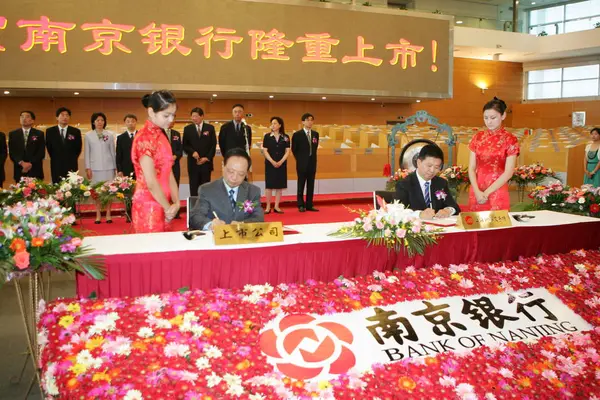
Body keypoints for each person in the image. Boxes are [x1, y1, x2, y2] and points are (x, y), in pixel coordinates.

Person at [131, 91, 180, 233]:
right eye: (166, 115)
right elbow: (151, 182)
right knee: (151, 249)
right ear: (151, 112)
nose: (171, 120)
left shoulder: (161, 136)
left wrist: (176, 202)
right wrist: (168, 208)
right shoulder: (144, 138)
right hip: (148, 206)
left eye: (173, 115)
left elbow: (168, 172)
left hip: (165, 204)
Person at [189, 148, 263, 231]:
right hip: (215, 239)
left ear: (246, 173)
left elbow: (258, 218)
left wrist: (243, 224)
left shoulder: (253, 191)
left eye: (241, 174)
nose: (234, 178)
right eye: (231, 171)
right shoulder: (207, 190)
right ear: (223, 166)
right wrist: (210, 224)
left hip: (242, 239)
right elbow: (195, 216)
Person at [468, 97, 520, 211]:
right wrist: (477, 191)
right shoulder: (477, 137)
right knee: (475, 223)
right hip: (477, 188)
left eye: (493, 118)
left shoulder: (510, 139)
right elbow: (471, 168)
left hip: (497, 188)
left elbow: (508, 172)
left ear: (503, 116)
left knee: (496, 224)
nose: (489, 121)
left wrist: (486, 193)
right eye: (485, 118)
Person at [395, 144, 460, 219]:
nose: (432, 170)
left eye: (436, 167)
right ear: (418, 162)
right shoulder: (404, 184)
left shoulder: (441, 183)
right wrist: (419, 214)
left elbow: (454, 206)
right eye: (429, 166)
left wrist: (448, 210)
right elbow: (399, 211)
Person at [84, 112, 116, 223]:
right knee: (96, 193)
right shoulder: (88, 135)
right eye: (97, 120)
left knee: (109, 191)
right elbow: (87, 153)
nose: (100, 122)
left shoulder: (110, 135)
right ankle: (98, 214)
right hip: (95, 168)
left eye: (102, 120)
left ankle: (108, 214)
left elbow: (113, 152)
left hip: (109, 167)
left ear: (105, 122)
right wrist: (88, 167)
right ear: (93, 122)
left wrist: (116, 167)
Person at [183, 107, 216, 196]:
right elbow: (185, 145)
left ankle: (206, 207)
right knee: (194, 187)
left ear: (202, 116)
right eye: (192, 116)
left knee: (206, 187)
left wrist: (207, 158)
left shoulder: (210, 128)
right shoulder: (187, 129)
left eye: (196, 116)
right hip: (193, 164)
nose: (194, 118)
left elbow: (213, 145)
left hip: (206, 164)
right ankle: (194, 207)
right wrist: (192, 152)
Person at [46, 107, 82, 184]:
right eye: (62, 115)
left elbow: (78, 148)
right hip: (56, 163)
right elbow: (49, 148)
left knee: (72, 186)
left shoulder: (75, 131)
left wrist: (71, 157)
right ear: (57, 117)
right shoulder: (50, 131)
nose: (65, 117)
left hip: (71, 163)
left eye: (67, 115)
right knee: (57, 185)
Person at [262, 116, 290, 214]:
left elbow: (287, 151)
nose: (272, 125)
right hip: (270, 164)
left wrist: (281, 162)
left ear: (280, 125)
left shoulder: (285, 137)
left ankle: (277, 206)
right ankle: (268, 206)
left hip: (281, 164)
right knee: (269, 186)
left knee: (279, 185)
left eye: (275, 123)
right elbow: (265, 151)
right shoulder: (267, 136)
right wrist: (272, 161)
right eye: (272, 123)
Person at [292, 113, 319, 212]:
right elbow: (294, 150)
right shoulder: (297, 135)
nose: (310, 122)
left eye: (311, 120)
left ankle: (309, 204)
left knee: (311, 184)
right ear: (303, 122)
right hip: (302, 164)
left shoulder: (315, 134)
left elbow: (315, 148)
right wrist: (300, 159)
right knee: (301, 184)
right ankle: (300, 204)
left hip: (312, 163)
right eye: (308, 120)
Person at [8, 111, 45, 181]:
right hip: (20, 169)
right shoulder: (13, 134)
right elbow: (12, 152)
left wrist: (29, 164)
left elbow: (41, 152)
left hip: (35, 169)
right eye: (22, 116)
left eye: (27, 116)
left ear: (33, 120)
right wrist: (22, 163)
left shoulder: (39, 134)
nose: (24, 118)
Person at [165, 120, 183, 219]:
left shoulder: (176, 134)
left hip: (175, 165)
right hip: (163, 166)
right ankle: (166, 211)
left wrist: (176, 156)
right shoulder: (159, 133)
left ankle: (176, 212)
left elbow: (180, 149)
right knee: (165, 189)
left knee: (175, 187)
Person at [116, 114, 137, 179]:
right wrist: (119, 170)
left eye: (133, 121)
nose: (130, 123)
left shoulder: (141, 136)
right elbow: (119, 155)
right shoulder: (121, 138)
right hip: (125, 168)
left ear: (136, 122)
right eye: (128, 121)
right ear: (125, 123)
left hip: (139, 168)